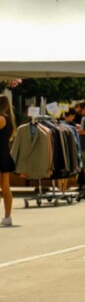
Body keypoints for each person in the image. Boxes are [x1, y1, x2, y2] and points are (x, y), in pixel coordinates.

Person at [0, 95, 14, 226]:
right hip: (4, 153)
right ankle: (7, 216)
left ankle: (7, 216)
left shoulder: (1, 118)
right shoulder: (9, 119)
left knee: (4, 187)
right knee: (5, 187)